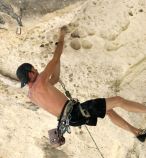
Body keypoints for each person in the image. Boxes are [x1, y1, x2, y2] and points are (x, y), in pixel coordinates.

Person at [16, 26, 146, 143]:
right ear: (30, 74)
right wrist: (61, 37)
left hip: (71, 120)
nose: (37, 71)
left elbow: (55, 78)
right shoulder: (40, 81)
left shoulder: (32, 95)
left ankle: (137, 132)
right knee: (118, 100)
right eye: (34, 69)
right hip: (76, 112)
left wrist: (57, 60)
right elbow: (54, 59)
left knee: (108, 110)